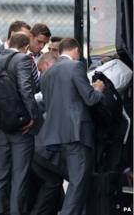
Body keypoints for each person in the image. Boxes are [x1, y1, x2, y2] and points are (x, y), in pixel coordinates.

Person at [38, 37, 105, 215]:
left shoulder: (48, 73)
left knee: (78, 182)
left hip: (57, 136)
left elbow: (48, 103)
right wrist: (98, 88)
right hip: (77, 133)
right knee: (78, 182)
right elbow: (90, 98)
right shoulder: (76, 66)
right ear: (76, 50)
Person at [0, 32, 41, 215]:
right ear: (26, 47)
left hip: (0, 127)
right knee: (19, 176)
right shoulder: (23, 60)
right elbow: (26, 91)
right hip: (21, 129)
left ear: (9, 42)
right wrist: (33, 117)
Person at [29, 52, 66, 215]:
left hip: (42, 149)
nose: (42, 76)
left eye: (42, 71)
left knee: (53, 182)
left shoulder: (55, 82)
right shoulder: (58, 83)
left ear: (48, 65)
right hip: (46, 151)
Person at [28, 23, 51, 92]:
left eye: (44, 43)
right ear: (31, 36)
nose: (42, 46)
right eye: (39, 41)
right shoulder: (19, 56)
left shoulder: (45, 59)